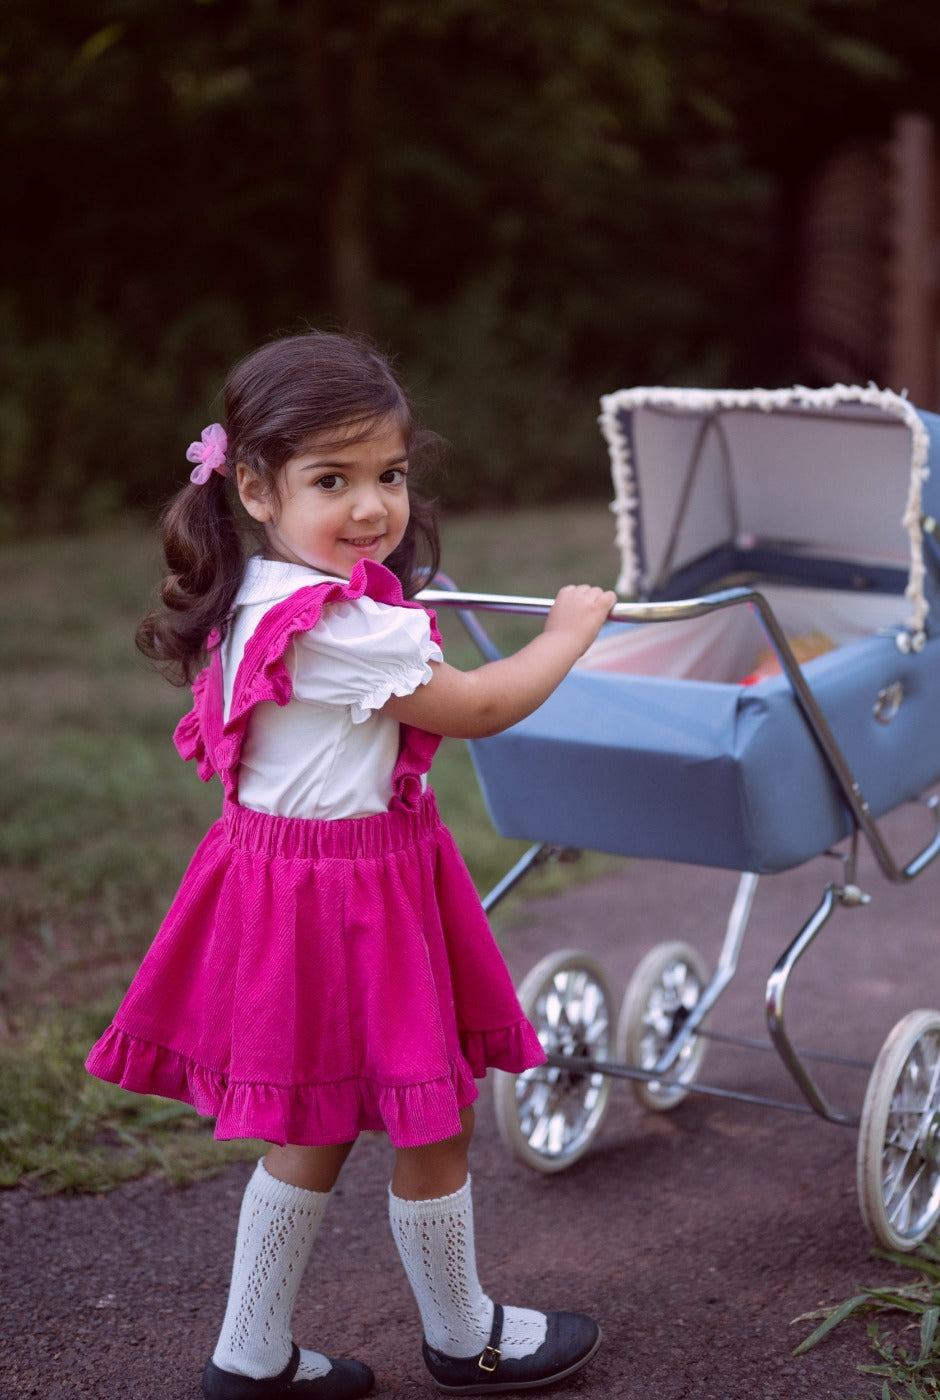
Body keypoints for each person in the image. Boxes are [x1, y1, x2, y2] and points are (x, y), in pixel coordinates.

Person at [86, 331, 615, 1399]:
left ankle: (252, 1355)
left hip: (284, 884)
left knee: (312, 1122)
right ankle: (464, 1334)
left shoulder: (255, 590)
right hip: (348, 898)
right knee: (432, 1110)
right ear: (254, 485)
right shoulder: (338, 625)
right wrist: (569, 631)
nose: (374, 505)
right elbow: (480, 706)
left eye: (391, 474)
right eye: (335, 479)